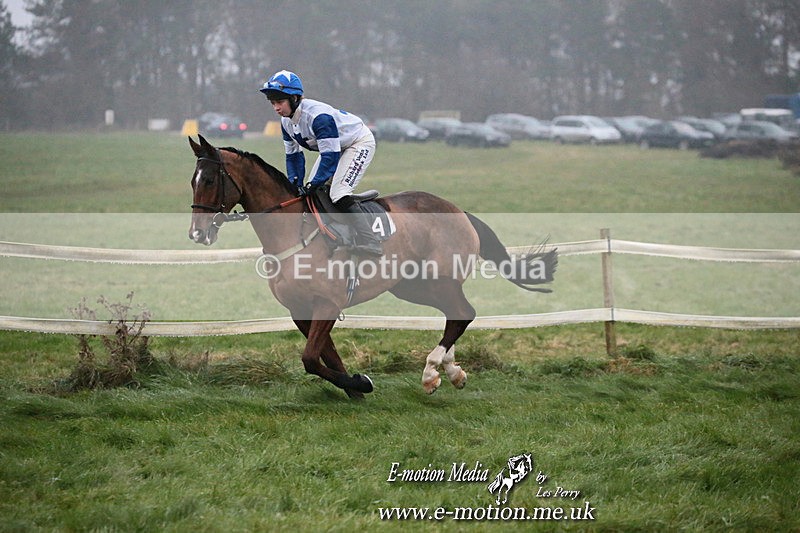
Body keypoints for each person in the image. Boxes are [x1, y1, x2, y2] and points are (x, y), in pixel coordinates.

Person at [260, 70, 382, 257]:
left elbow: (330, 158)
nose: (276, 108)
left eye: (280, 102)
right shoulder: (286, 122)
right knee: (312, 193)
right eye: (273, 103)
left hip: (358, 142)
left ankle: (371, 240)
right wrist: (295, 185)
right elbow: (293, 157)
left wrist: (313, 184)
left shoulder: (318, 118)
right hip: (335, 147)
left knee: (338, 193)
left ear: (294, 98)